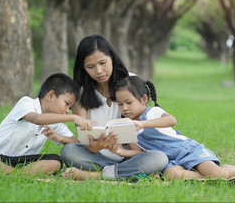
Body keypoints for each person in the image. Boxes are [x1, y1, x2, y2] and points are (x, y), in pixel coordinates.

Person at [110, 75, 235, 181]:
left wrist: (142, 124)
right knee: (171, 175)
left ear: (143, 99)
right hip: (170, 161)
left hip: (186, 150)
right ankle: (203, 178)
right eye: (120, 104)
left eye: (128, 103)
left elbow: (171, 120)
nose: (124, 108)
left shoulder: (152, 113)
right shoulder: (127, 126)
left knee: (219, 174)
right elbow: (137, 151)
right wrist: (121, 152)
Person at [60, 34, 168, 180]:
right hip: (98, 156)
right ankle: (126, 173)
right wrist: (97, 146)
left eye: (103, 63)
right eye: (91, 67)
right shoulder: (80, 93)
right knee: (69, 151)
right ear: (83, 68)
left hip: (130, 155)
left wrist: (123, 146)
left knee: (159, 158)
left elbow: (144, 122)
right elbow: (86, 142)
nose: (99, 71)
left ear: (112, 58)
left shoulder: (129, 82)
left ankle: (98, 175)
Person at [0, 73, 95, 176]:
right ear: (50, 95)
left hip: (24, 163)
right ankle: (18, 174)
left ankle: (12, 174)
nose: (67, 110)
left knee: (56, 161)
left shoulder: (56, 122)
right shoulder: (26, 103)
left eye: (71, 108)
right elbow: (37, 119)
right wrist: (73, 117)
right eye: (67, 104)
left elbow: (76, 143)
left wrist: (59, 138)